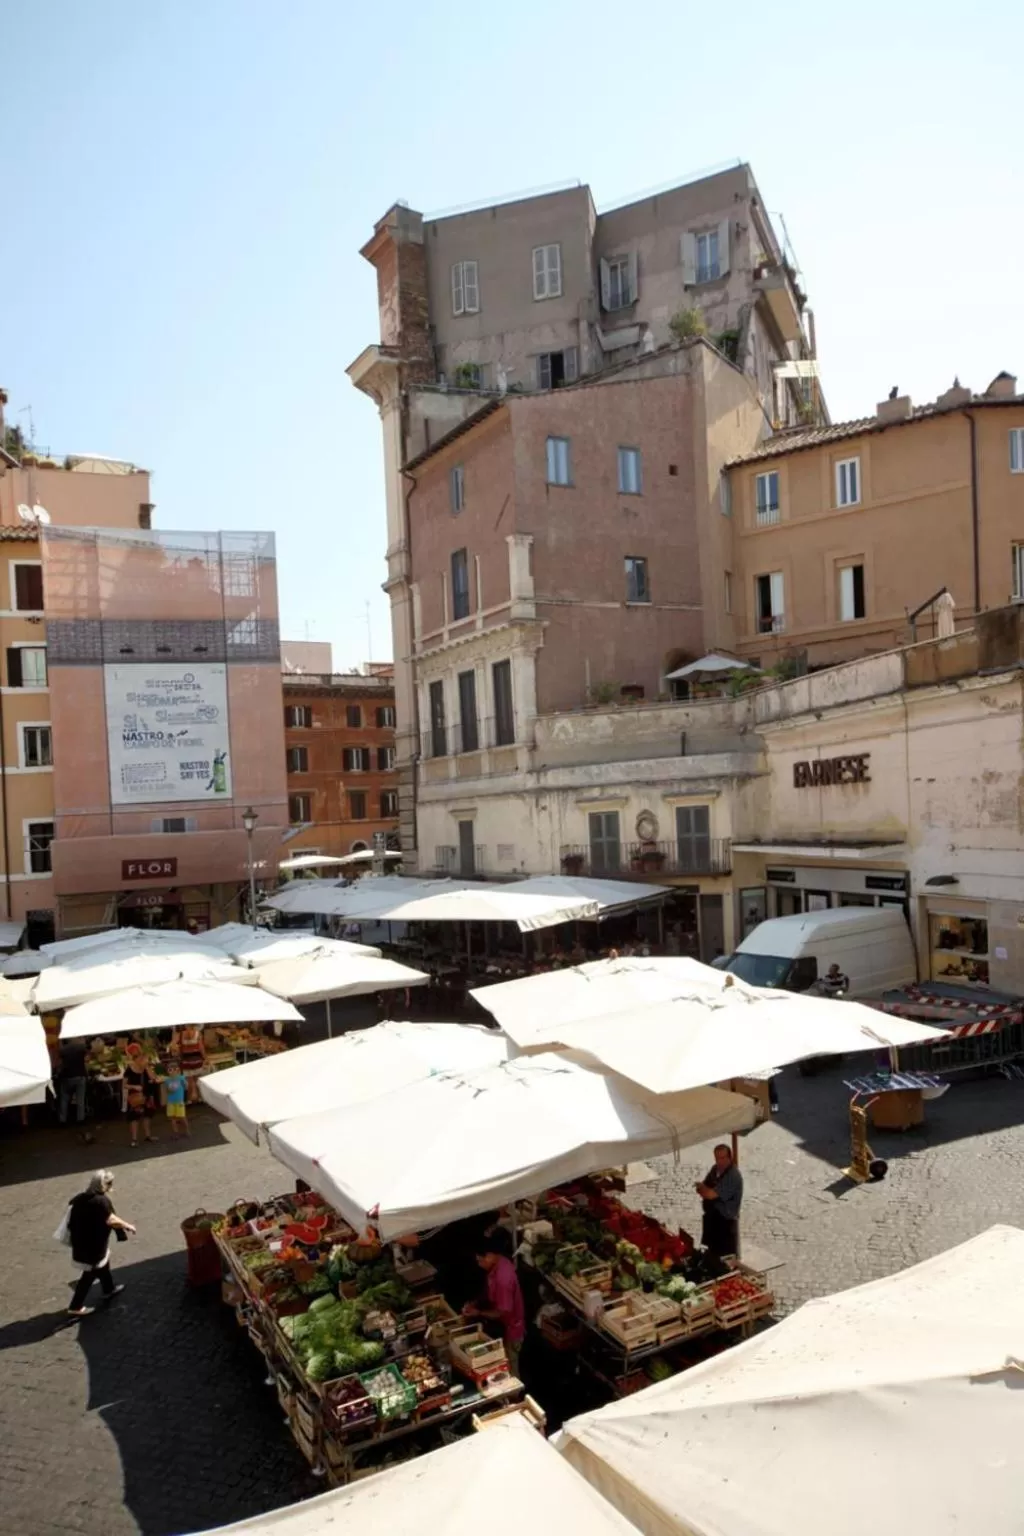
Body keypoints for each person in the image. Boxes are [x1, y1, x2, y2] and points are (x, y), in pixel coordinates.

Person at [66, 1170, 136, 1317]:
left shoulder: (79, 1199)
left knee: (103, 1264)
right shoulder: (101, 1201)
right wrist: (128, 1226)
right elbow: (111, 1220)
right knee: (90, 1274)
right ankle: (75, 1306)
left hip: (81, 1241)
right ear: (105, 1185)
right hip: (93, 1245)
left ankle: (108, 1288)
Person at [463, 1235, 526, 1378]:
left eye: (480, 1260)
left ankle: (515, 1395)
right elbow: (489, 1289)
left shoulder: (503, 1279)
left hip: (511, 1329)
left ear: (490, 1256)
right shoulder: (499, 1263)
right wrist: (475, 1302)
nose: (479, 1264)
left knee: (510, 1368)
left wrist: (478, 1312)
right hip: (503, 1325)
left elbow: (501, 1312)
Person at [695, 1143, 744, 1258]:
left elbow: (710, 1194)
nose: (719, 1161)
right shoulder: (715, 1169)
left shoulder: (733, 1175)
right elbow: (702, 1189)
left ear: (729, 1158)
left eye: (723, 1158)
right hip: (712, 1218)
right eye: (717, 1158)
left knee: (724, 1257)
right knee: (711, 1251)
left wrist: (705, 1190)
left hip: (725, 1223)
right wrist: (705, 1190)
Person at [123, 1047, 157, 1148]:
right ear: (136, 1059)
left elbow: (153, 1078)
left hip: (147, 1094)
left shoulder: (146, 1068)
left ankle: (148, 1135)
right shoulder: (129, 1069)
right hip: (135, 1096)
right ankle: (134, 1139)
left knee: (148, 1115)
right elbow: (124, 1085)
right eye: (142, 1058)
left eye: (145, 1058)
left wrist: (147, 1068)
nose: (145, 1060)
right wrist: (134, 1086)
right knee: (135, 1117)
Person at [58, 1039, 89, 1128]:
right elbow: (87, 1058)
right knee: (80, 1099)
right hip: (80, 1075)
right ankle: (80, 1119)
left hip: (67, 1077)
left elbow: (60, 1063)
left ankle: (62, 1120)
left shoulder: (62, 1050)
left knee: (64, 1099)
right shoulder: (81, 1047)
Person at [163, 1054, 189, 1139]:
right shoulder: (167, 1080)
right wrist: (169, 1091)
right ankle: (176, 1133)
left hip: (179, 1101)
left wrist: (185, 1084)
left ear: (177, 1070)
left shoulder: (181, 1078)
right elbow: (166, 1091)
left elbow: (186, 1087)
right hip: (171, 1102)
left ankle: (186, 1130)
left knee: (181, 1117)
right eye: (169, 1070)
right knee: (173, 1118)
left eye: (172, 1070)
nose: (171, 1072)